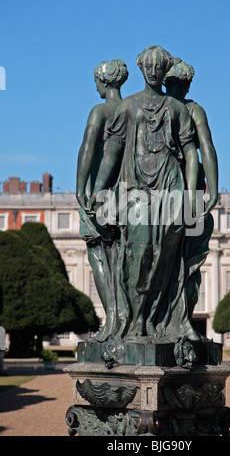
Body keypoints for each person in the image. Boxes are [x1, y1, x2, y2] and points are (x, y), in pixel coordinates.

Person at [91, 46, 200, 341]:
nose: (153, 72)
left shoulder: (177, 110)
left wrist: (190, 195)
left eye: (159, 67)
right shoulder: (127, 107)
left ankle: (156, 320)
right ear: (142, 69)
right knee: (138, 253)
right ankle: (136, 319)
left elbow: (191, 152)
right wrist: (99, 187)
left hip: (170, 188)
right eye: (149, 67)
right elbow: (112, 150)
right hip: (136, 191)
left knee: (166, 255)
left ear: (165, 71)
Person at [76, 59, 128, 341]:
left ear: (103, 81)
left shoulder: (101, 110)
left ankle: (112, 320)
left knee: (98, 254)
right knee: (124, 259)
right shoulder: (133, 108)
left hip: (101, 196)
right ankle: (128, 321)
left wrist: (80, 188)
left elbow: (87, 148)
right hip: (132, 197)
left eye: (96, 81)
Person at [164, 60, 218, 319]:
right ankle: (180, 318)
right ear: (186, 85)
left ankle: (162, 320)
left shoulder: (155, 108)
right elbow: (206, 148)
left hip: (157, 190)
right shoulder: (194, 110)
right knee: (189, 261)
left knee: (162, 258)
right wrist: (213, 188)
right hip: (188, 190)